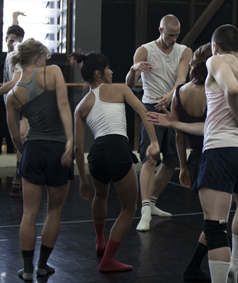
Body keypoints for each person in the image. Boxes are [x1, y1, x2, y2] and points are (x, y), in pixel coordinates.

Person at [71, 52, 159, 272]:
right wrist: (154, 142)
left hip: (97, 153)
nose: (112, 72)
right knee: (129, 208)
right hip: (117, 148)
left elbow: (78, 148)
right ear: (99, 73)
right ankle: (108, 260)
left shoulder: (81, 105)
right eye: (109, 69)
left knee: (101, 195)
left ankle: (100, 241)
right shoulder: (120, 89)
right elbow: (143, 112)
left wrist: (82, 180)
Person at [6, 38, 73, 281]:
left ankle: (25, 270)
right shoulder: (53, 72)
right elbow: (65, 106)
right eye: (45, 57)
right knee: (53, 211)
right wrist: (70, 141)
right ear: (37, 58)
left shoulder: (12, 94)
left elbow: (15, 134)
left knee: (28, 213)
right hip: (58, 149)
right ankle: (43, 266)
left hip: (33, 149)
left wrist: (25, 153)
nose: (48, 61)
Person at [147, 43, 211, 282]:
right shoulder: (213, 91)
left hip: (194, 159)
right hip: (213, 157)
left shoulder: (180, 92)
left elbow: (179, 135)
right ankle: (202, 267)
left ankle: (207, 266)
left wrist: (183, 167)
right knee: (216, 219)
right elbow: (211, 128)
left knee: (213, 218)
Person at [198, 24, 238, 283]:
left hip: (221, 151)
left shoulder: (216, 60)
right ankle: (234, 265)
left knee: (215, 225)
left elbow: (231, 90)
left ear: (215, 46)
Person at [125, 14, 192, 232]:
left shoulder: (184, 51)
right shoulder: (144, 50)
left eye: (176, 35)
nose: (173, 38)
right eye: (170, 34)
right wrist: (134, 68)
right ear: (160, 30)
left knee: (172, 160)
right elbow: (129, 84)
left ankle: (151, 203)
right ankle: (144, 211)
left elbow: (182, 79)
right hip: (151, 108)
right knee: (150, 158)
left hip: (173, 106)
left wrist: (171, 95)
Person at [1, 11, 28, 198]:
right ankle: (22, 172)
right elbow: (12, 31)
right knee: (16, 138)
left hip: (23, 103)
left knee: (21, 137)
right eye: (11, 41)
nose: (13, 44)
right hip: (10, 102)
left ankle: (20, 175)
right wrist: (15, 16)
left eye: (17, 41)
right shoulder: (10, 49)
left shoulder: (19, 59)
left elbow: (16, 81)